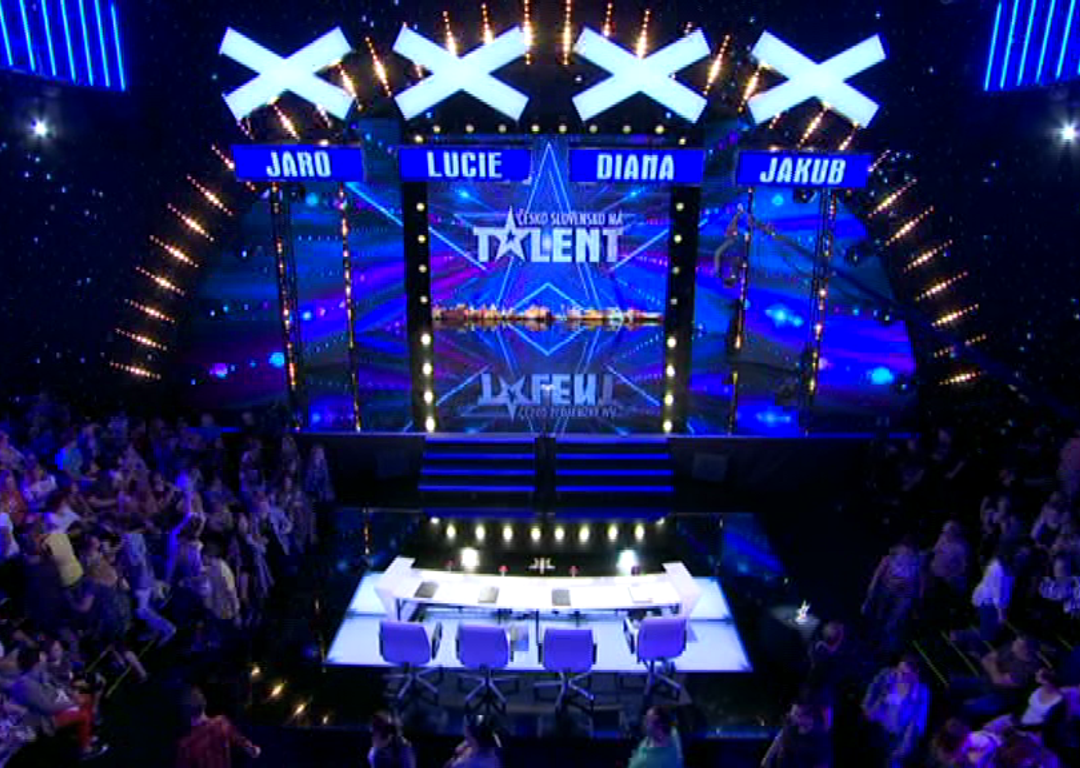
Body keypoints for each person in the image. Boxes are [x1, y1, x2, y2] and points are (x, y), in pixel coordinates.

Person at [9, 645, 105, 759]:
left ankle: (81, 734)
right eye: (42, 658)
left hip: (58, 703)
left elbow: (57, 684)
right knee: (83, 714)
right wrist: (74, 702)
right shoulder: (26, 685)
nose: (45, 658)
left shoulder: (40, 672)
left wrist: (71, 693)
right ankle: (85, 749)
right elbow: (48, 708)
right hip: (45, 720)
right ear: (36, 664)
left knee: (87, 699)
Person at [861, 655, 929, 768]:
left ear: (916, 675)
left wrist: (902, 750)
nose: (899, 676)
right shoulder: (886, 676)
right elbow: (870, 695)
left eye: (905, 674)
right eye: (899, 670)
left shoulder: (921, 692)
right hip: (875, 729)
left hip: (897, 739)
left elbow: (917, 724)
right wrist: (868, 710)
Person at [862, 538, 922, 655]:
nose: (906, 553)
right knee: (878, 617)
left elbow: (917, 581)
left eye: (909, 551)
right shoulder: (894, 554)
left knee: (890, 623)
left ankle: (881, 647)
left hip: (901, 596)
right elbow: (880, 570)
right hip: (887, 590)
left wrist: (915, 597)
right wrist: (870, 594)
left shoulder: (917, 560)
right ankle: (872, 643)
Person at [176, 687, 260, 768]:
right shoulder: (221, 723)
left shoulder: (186, 745)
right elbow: (248, 746)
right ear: (204, 703)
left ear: (184, 712)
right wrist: (254, 750)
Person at [761, 698, 832, 768]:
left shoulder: (819, 739)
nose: (791, 715)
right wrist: (767, 759)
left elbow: (823, 762)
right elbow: (779, 739)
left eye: (796, 714)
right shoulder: (791, 727)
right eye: (792, 712)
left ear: (808, 717)